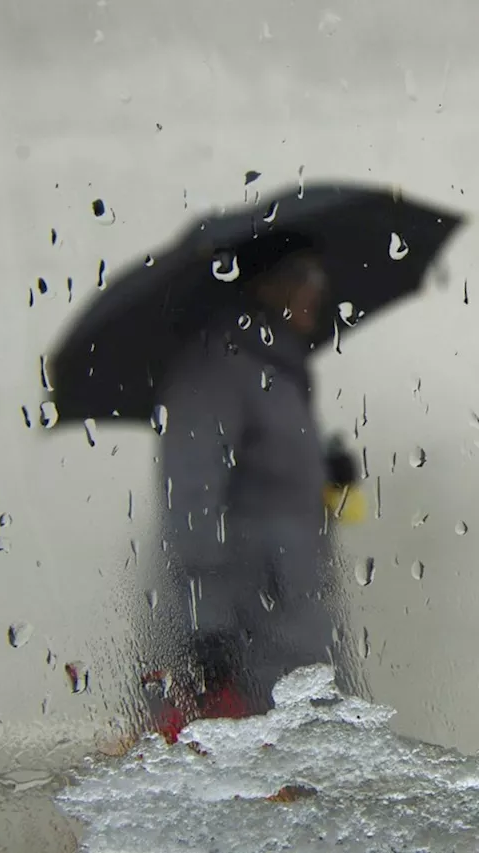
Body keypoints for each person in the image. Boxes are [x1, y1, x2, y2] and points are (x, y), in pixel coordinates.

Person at [140, 233, 357, 743]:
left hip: (293, 618)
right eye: (308, 278)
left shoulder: (280, 370)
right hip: (244, 633)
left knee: (310, 772)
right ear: (267, 284)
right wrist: (207, 631)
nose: (318, 292)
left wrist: (328, 473)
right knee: (257, 783)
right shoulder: (216, 367)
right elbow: (191, 499)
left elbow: (268, 484)